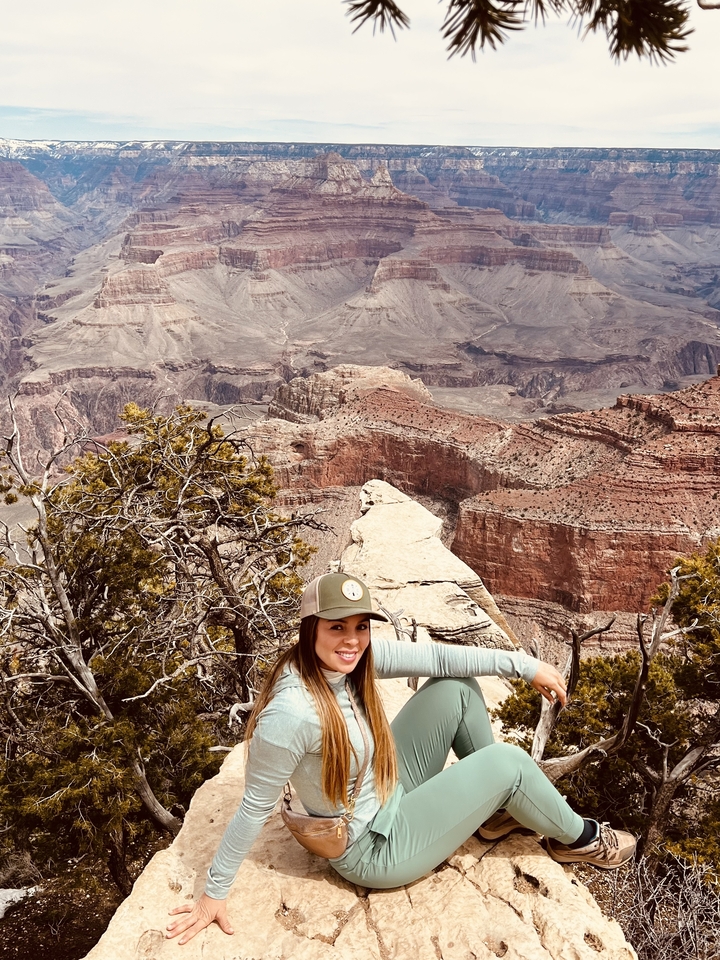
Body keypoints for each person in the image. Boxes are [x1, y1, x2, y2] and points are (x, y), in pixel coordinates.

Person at [167, 572, 635, 945]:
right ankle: (582, 841)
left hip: (387, 786)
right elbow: (252, 806)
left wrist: (523, 665)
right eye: (337, 627)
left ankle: (493, 815)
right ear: (310, 629)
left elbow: (437, 659)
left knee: (455, 691)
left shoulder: (352, 659)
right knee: (508, 763)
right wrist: (213, 893)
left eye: (361, 626)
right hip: (372, 847)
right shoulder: (292, 711)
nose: (352, 639)